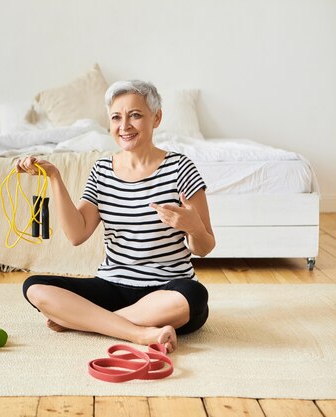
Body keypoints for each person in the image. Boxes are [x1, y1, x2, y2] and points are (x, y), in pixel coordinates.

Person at [16, 80, 215, 353]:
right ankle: (141, 334)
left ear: (156, 118)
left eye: (135, 115)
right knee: (35, 287)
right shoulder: (101, 172)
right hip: (111, 285)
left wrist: (193, 227)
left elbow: (205, 247)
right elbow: (77, 234)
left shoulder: (181, 168)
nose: (125, 126)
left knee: (194, 296)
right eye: (116, 117)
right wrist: (54, 177)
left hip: (167, 290)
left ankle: (88, 321)